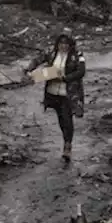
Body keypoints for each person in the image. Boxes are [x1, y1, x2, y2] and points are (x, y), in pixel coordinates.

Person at [30, 33, 86, 165]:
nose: (63, 46)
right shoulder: (51, 52)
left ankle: (68, 145)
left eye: (66, 44)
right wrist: (29, 69)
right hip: (53, 92)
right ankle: (65, 139)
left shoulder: (77, 55)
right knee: (61, 118)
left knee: (67, 118)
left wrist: (65, 78)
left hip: (69, 93)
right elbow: (37, 60)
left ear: (70, 45)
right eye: (61, 44)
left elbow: (81, 71)